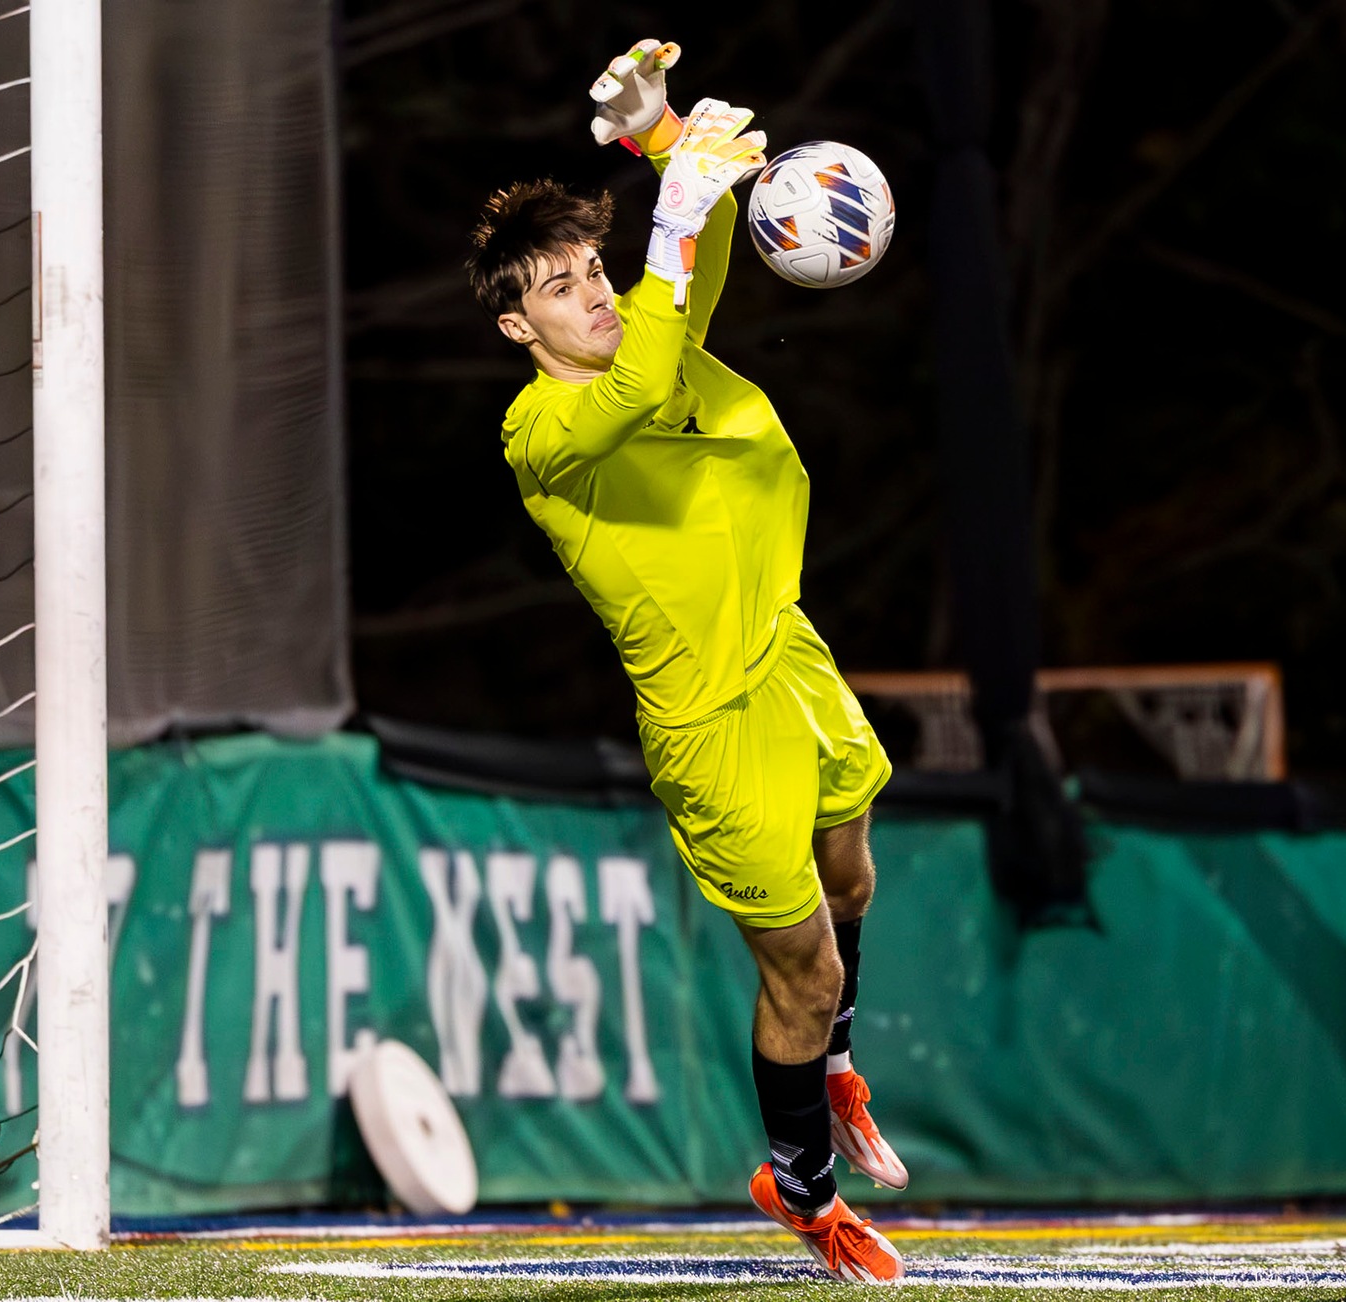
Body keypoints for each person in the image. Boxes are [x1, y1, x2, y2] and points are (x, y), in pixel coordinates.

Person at [459, 39, 908, 1285]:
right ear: (516, 323)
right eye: (559, 287)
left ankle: (835, 1068)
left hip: (790, 651)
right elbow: (652, 350)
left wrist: (660, 140)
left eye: (593, 269)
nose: (593, 294)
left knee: (854, 865)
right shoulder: (543, 430)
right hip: (710, 721)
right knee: (801, 965)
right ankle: (800, 1186)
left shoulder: (647, 320)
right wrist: (673, 206)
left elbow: (701, 252)